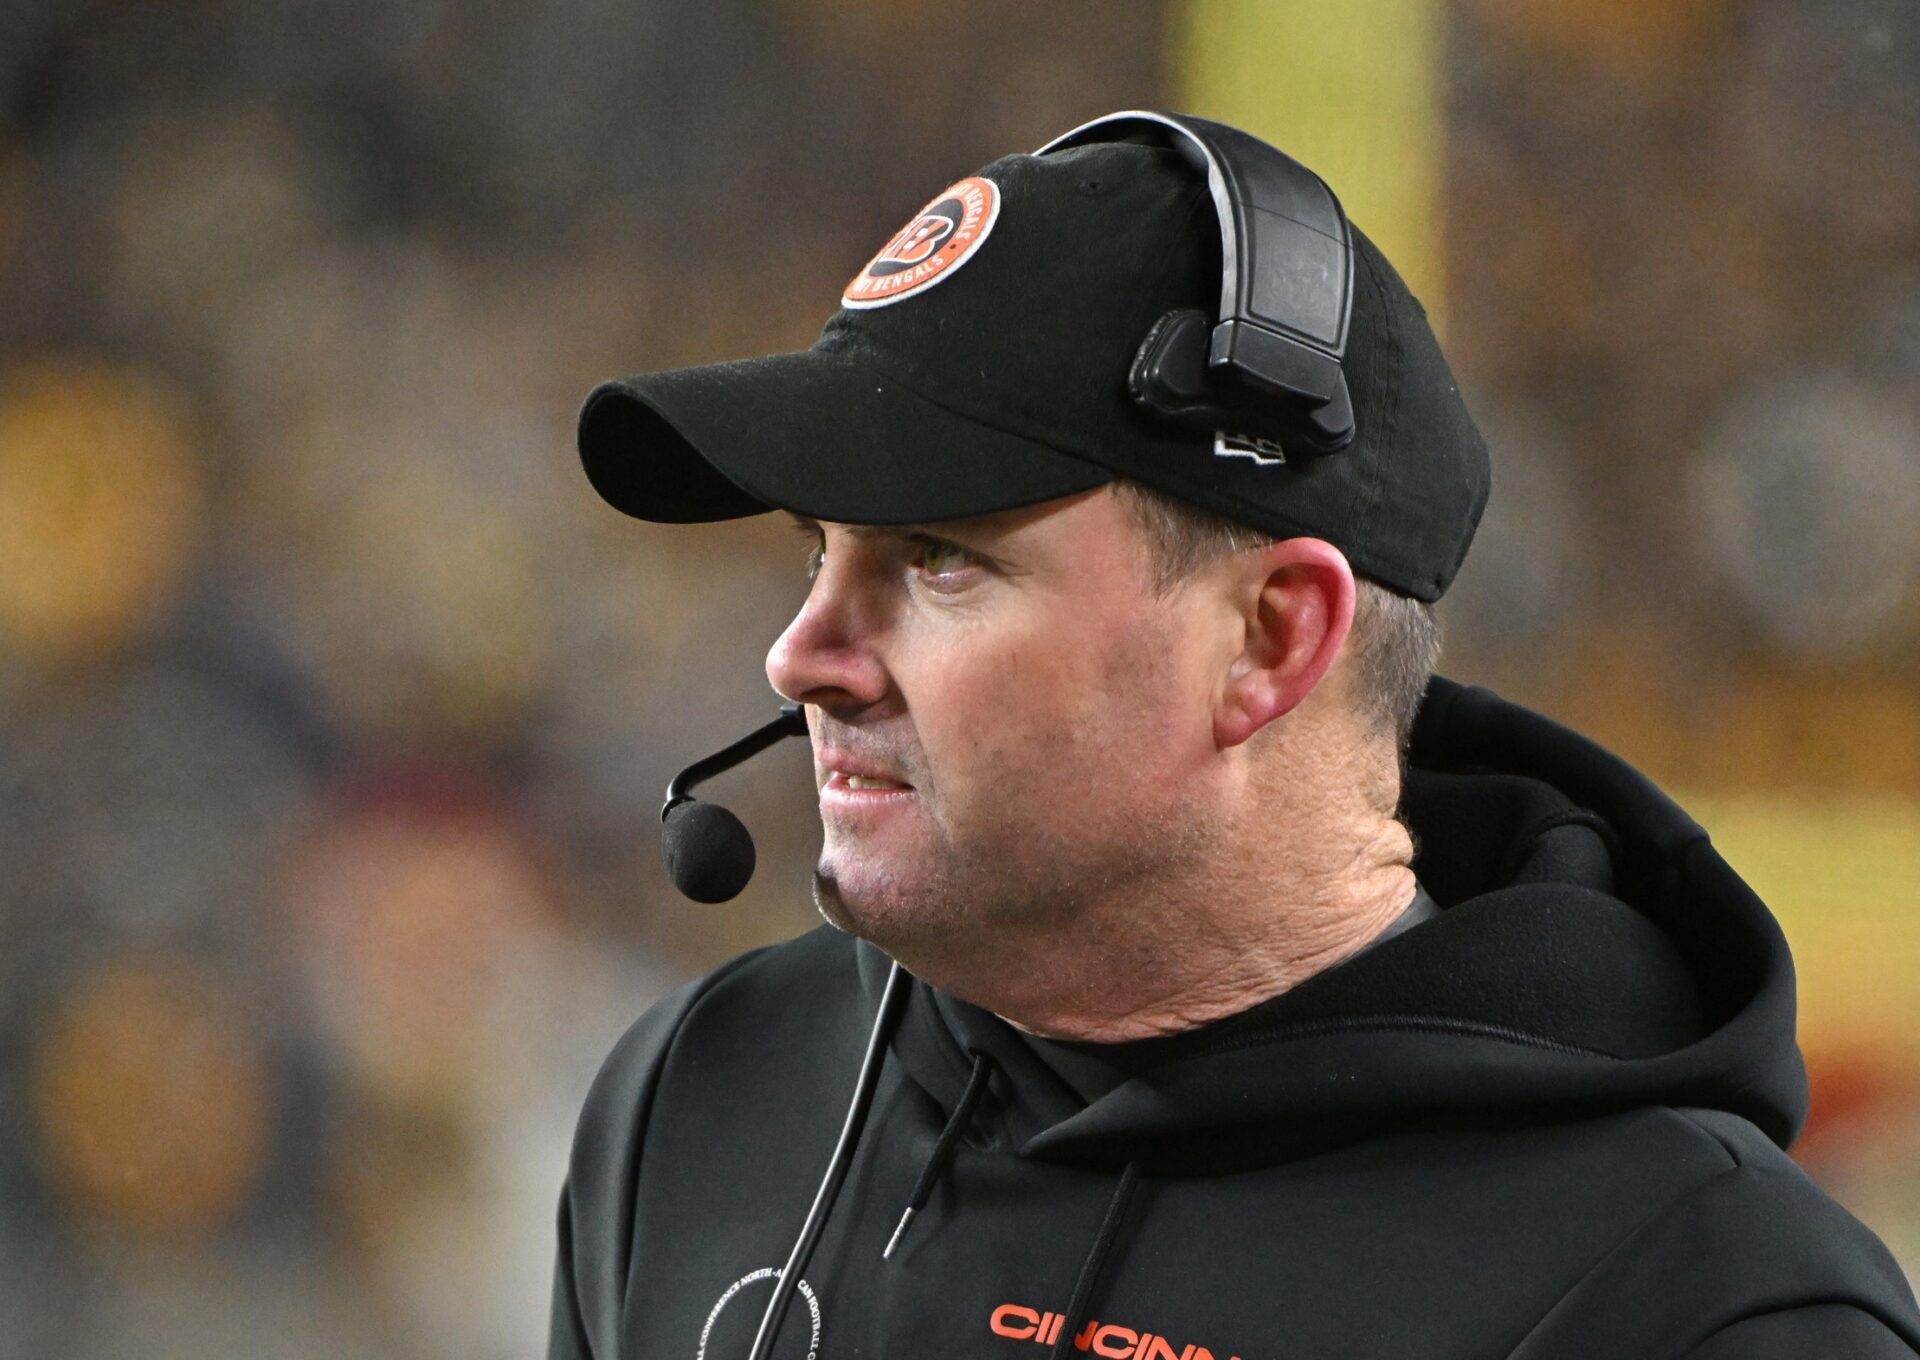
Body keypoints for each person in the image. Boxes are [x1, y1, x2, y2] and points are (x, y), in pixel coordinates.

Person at [548, 113, 1920, 1360]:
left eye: (937, 562)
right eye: (817, 555)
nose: (803, 657)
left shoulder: (1707, 1304)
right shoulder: (706, 1092)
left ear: (1268, 640)